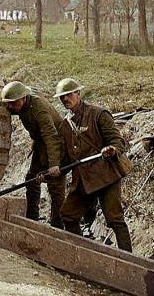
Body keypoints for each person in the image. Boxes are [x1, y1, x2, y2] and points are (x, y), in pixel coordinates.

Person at [54, 78, 133, 252]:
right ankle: (81, 254)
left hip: (106, 176)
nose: (66, 99)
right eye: (62, 97)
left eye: (69, 95)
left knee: (114, 219)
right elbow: (67, 158)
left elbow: (118, 141)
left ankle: (129, 261)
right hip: (84, 180)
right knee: (68, 215)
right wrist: (53, 170)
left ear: (78, 94)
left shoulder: (98, 114)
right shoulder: (65, 125)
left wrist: (112, 149)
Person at [0, 81, 64, 227]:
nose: (9, 107)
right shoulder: (21, 102)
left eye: (13, 103)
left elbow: (51, 136)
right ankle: (32, 218)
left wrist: (54, 164)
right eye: (7, 103)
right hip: (41, 144)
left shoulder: (38, 108)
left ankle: (57, 224)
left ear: (23, 98)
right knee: (32, 178)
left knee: (55, 186)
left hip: (57, 145)